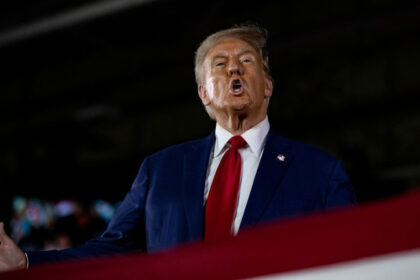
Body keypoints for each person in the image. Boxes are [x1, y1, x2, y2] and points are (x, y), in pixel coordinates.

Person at [0, 24, 356, 271]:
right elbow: (110, 250)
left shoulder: (321, 173)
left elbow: (353, 259)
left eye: (247, 61)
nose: (234, 68)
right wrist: (28, 262)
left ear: (268, 86)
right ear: (204, 93)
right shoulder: (160, 170)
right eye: (221, 64)